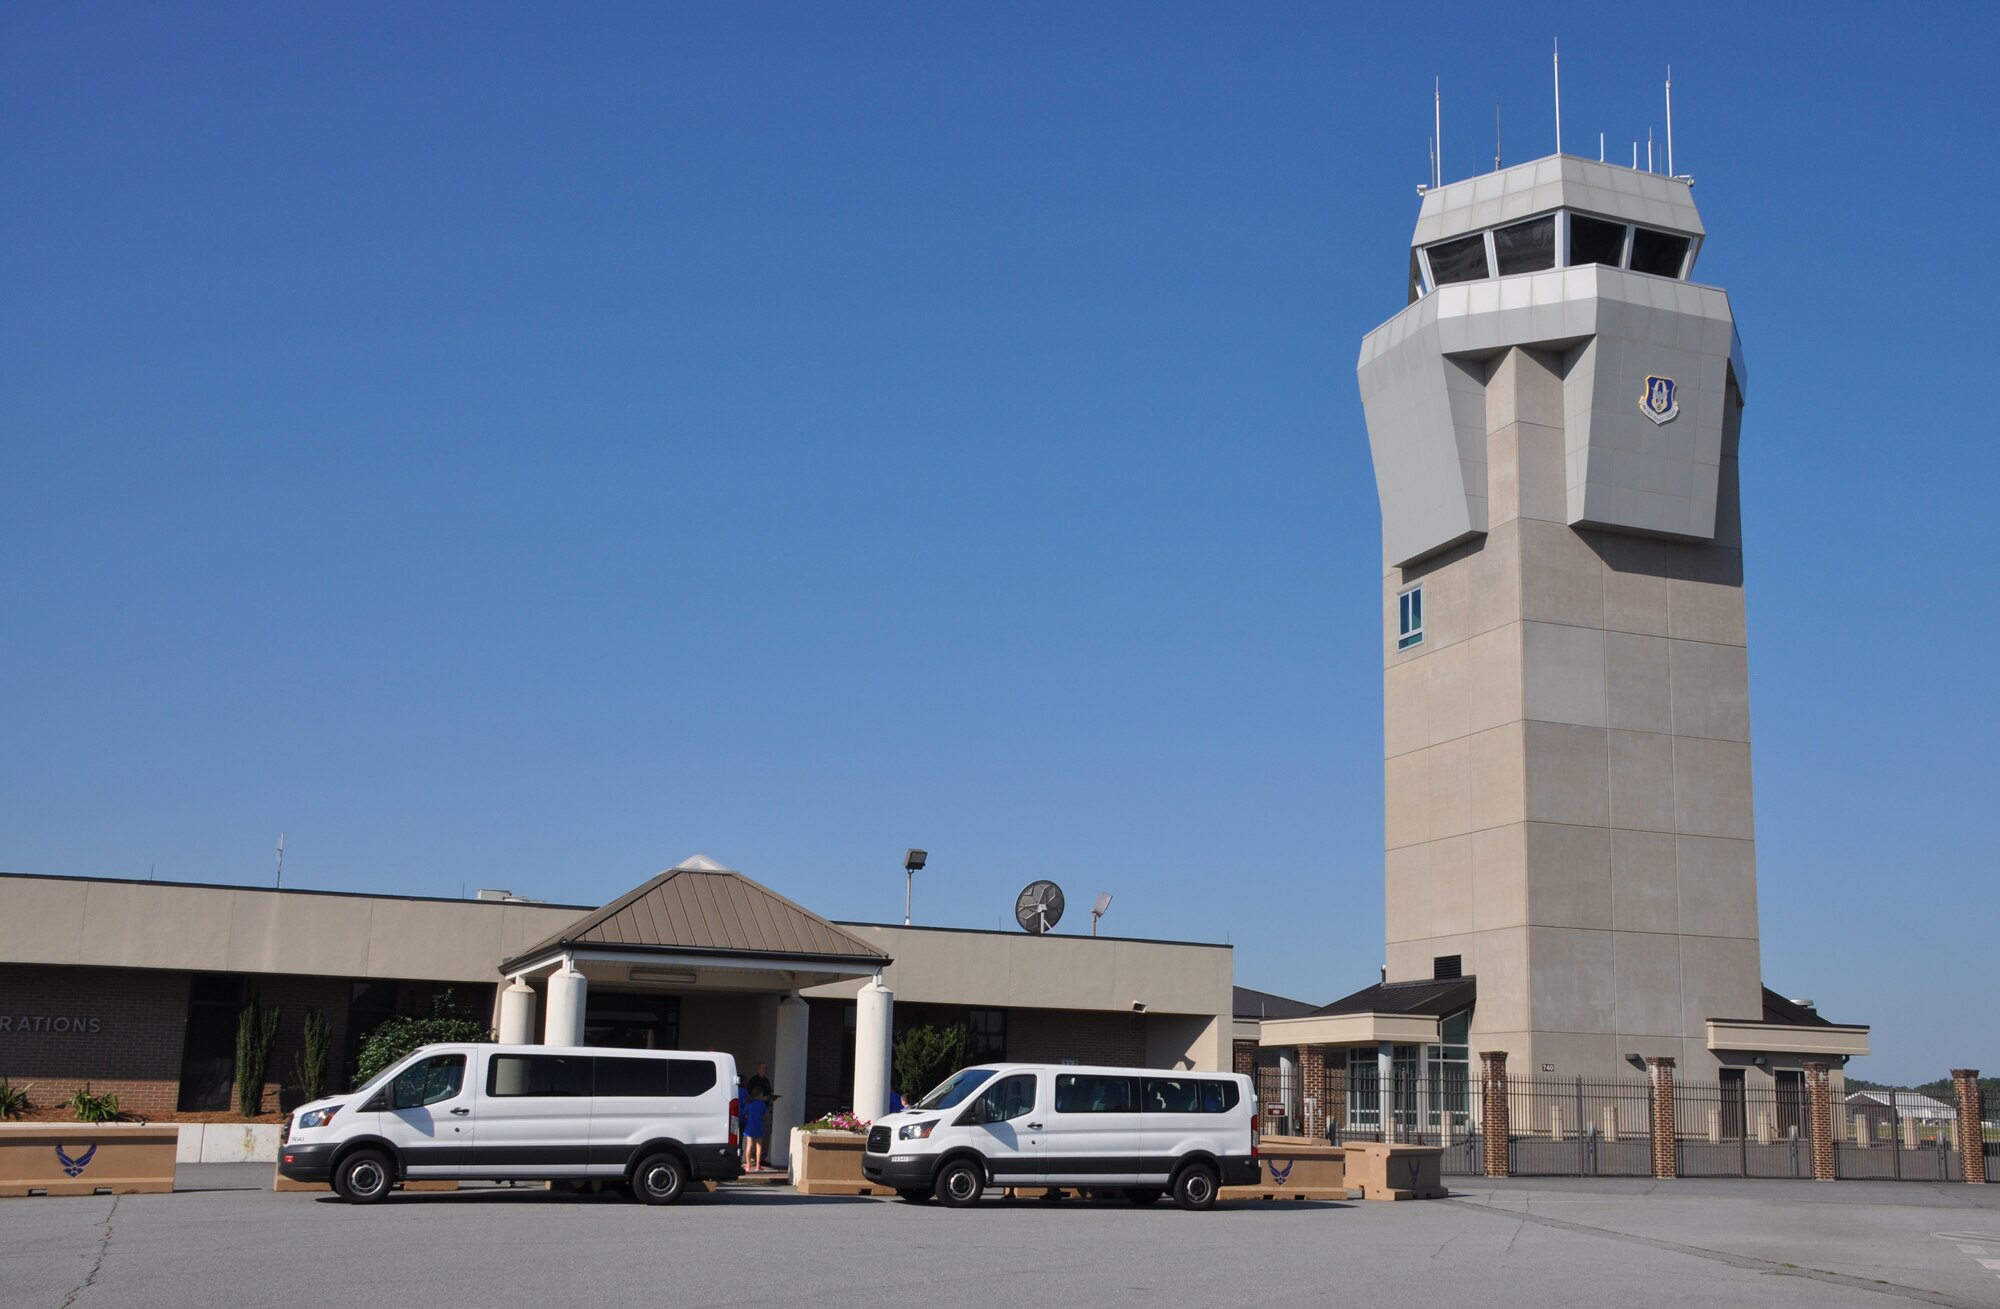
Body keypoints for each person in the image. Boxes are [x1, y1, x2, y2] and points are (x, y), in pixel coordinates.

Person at [742, 1089, 769, 1172]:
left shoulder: (749, 1104)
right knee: (759, 1146)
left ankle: (748, 1165)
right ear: (760, 1095)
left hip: (750, 1126)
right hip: (759, 1126)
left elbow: (744, 1114)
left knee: (749, 1145)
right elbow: (765, 1114)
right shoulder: (762, 1104)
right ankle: (758, 1165)